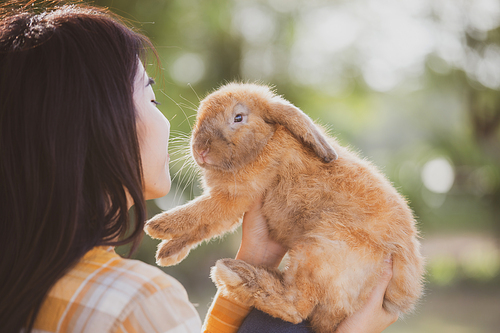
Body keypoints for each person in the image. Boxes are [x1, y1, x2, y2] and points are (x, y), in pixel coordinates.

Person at [0, 1, 398, 332]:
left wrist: (254, 260)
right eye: (150, 98)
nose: (173, 126)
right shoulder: (136, 302)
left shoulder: (25, 281)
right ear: (99, 123)